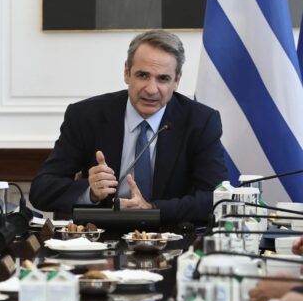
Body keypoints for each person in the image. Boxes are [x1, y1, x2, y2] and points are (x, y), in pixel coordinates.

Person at [29, 30, 228, 225]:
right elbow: (41, 190)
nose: (151, 89)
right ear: (127, 73)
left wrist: (151, 209)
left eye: (163, 79)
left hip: (171, 235)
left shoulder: (200, 121)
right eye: (143, 75)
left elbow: (216, 199)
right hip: (101, 235)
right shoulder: (86, 116)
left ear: (177, 81)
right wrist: (90, 191)